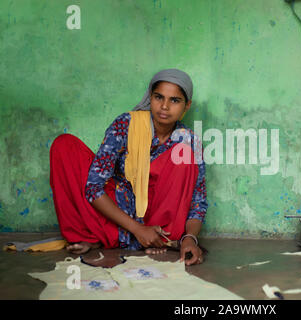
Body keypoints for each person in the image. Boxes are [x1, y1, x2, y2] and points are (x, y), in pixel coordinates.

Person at [49, 69, 207, 266]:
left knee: (184, 154)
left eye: (174, 100)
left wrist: (189, 239)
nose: (165, 106)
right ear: (151, 97)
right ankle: (96, 236)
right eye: (159, 97)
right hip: (120, 215)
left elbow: (197, 203)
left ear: (186, 106)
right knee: (65, 146)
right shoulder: (127, 124)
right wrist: (138, 229)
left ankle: (158, 239)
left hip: (160, 226)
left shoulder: (190, 141)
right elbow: (93, 187)